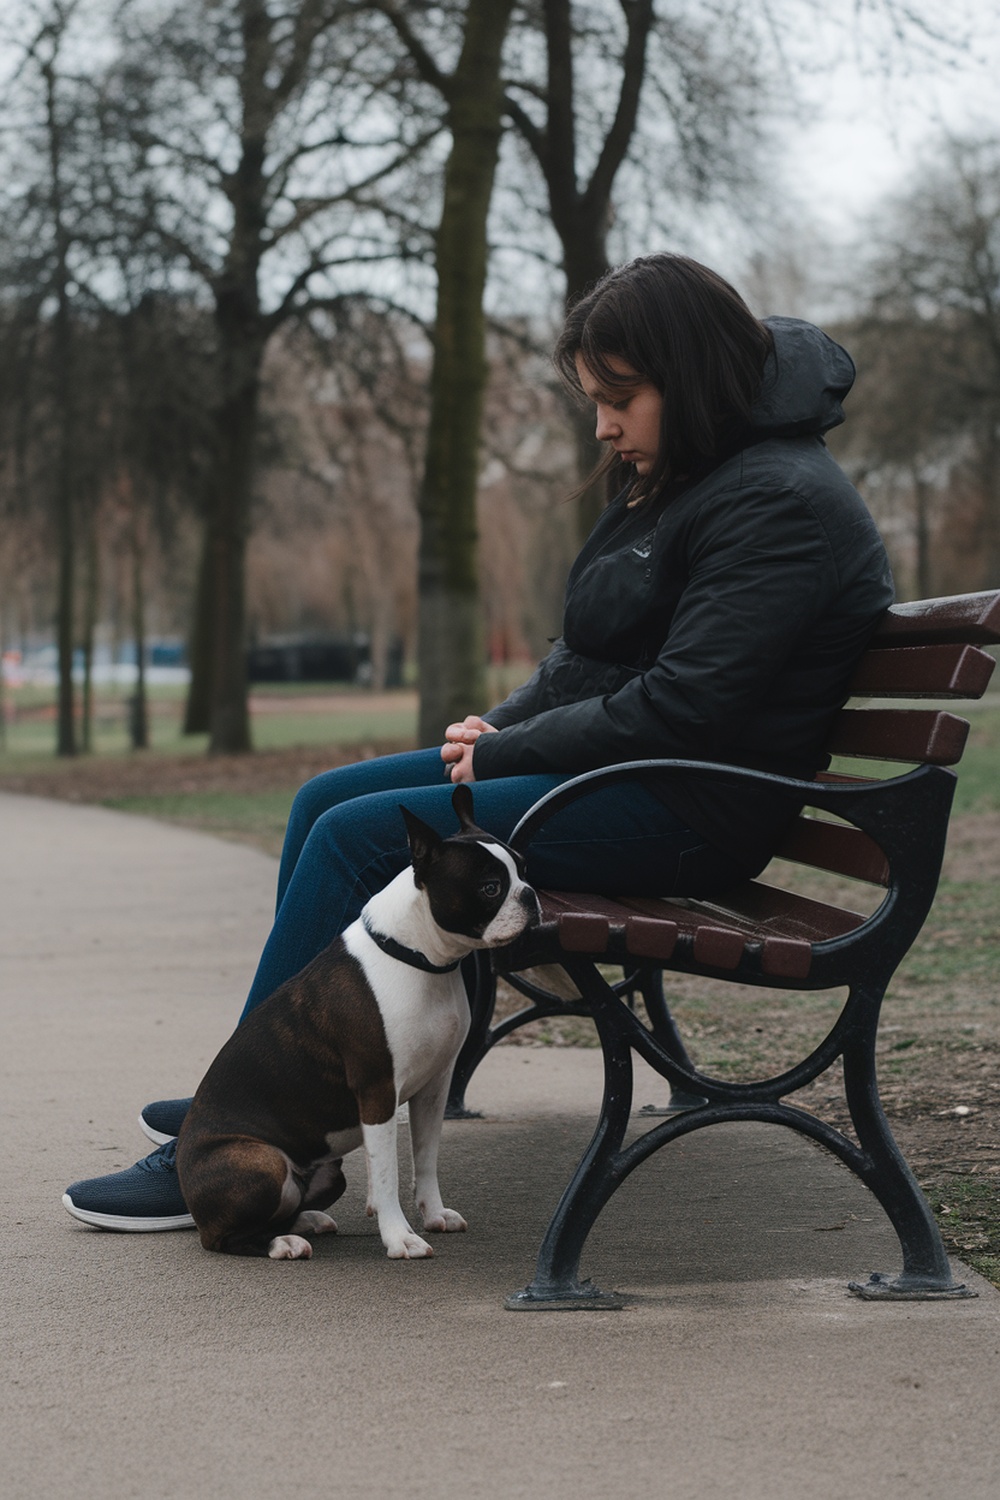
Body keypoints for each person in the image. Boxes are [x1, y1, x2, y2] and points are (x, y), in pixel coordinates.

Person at [63, 252, 893, 1231]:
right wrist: (503, 723)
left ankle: (235, 1134)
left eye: (619, 397)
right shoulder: (691, 471)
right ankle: (254, 1095)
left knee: (359, 839)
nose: (602, 424)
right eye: (594, 398)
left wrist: (511, 752)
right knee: (322, 801)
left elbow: (686, 705)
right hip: (635, 772)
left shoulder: (776, 501)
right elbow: (591, 649)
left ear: (693, 374)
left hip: (691, 804)